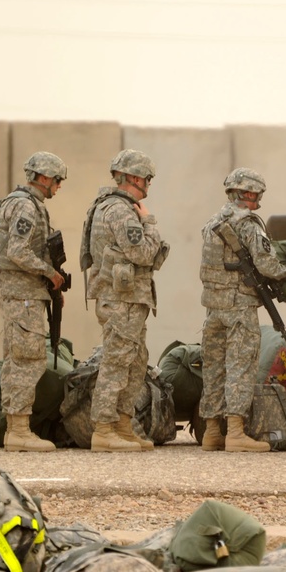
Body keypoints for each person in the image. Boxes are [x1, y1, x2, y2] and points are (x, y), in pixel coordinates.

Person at [80, 149, 169, 453]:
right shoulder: (120, 210)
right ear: (132, 177)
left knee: (134, 362)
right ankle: (104, 428)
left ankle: (122, 423)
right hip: (121, 300)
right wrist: (150, 222)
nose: (148, 184)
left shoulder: (117, 208)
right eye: (146, 178)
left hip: (129, 299)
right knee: (117, 361)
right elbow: (142, 253)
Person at [198, 167, 286, 453]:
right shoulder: (249, 224)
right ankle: (236, 433)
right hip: (239, 306)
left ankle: (212, 432)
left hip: (213, 307)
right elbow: (266, 264)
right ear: (250, 193)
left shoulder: (212, 222)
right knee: (240, 366)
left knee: (214, 368)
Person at [0, 151, 67, 453]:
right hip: (23, 295)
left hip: (21, 294)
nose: (59, 187)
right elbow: (16, 251)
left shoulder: (19, 202)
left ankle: (15, 428)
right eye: (58, 180)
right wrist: (50, 273)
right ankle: (19, 430)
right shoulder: (25, 206)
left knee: (17, 358)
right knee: (28, 359)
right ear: (44, 178)